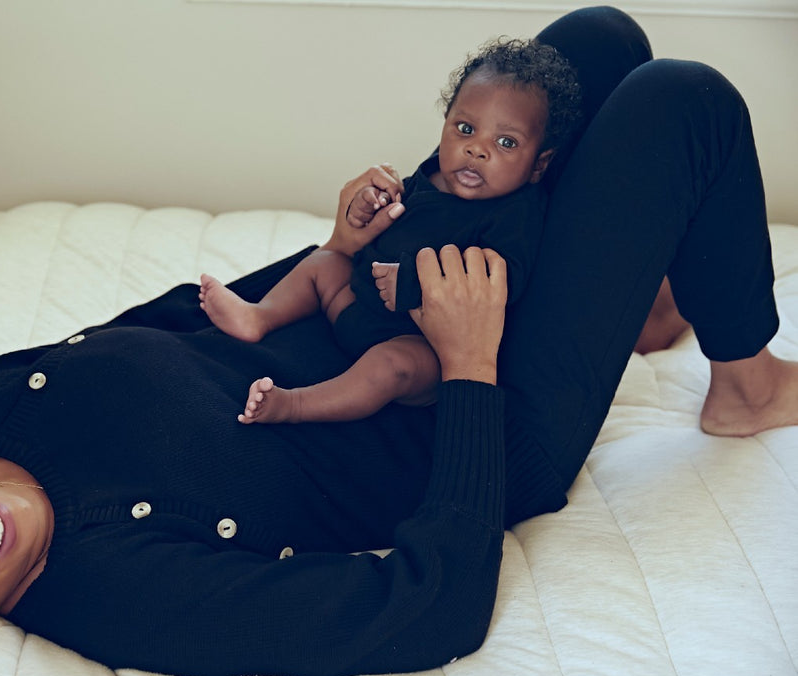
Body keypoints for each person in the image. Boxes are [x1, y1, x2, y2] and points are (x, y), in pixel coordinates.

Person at [0, 5, 798, 676]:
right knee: (679, 102)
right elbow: (432, 607)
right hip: (473, 414)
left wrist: (341, 248)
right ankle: (744, 388)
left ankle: (631, 295)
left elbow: (177, 316)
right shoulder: (120, 596)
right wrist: (467, 365)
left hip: (384, 294)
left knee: (595, 45)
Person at [199, 37, 582, 425]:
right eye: (465, 128)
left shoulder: (516, 213)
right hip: (356, 306)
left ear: (538, 164)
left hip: (419, 343)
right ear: (446, 123)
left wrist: (416, 285)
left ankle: (293, 405)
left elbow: (501, 281)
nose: (477, 149)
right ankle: (259, 316)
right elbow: (398, 219)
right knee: (325, 262)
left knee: (390, 368)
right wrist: (372, 204)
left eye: (505, 142)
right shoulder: (435, 172)